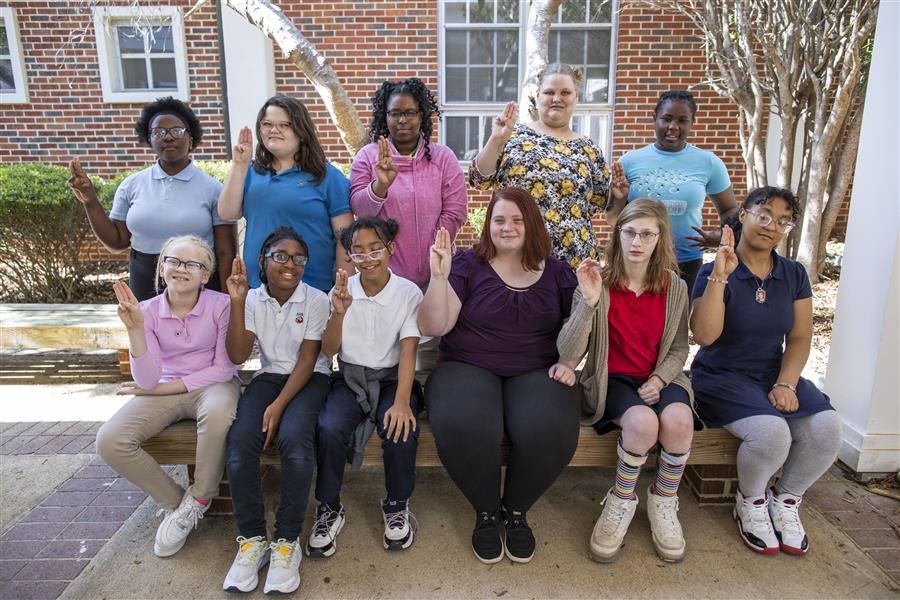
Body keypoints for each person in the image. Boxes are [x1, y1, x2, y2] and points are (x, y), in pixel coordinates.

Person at [419, 187, 581, 565]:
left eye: (517, 220)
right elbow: (435, 325)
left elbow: (580, 328)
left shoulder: (557, 272)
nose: (507, 227)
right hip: (467, 364)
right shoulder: (466, 265)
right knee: (465, 423)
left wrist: (570, 364)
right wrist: (438, 278)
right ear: (487, 224)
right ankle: (487, 511)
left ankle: (517, 510)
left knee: (548, 429)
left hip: (537, 368)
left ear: (532, 224)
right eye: (499, 219)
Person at [690, 186, 841, 556]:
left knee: (827, 430)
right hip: (720, 376)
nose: (771, 225)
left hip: (772, 372)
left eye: (783, 221)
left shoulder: (793, 274)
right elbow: (705, 335)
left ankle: (786, 499)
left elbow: (801, 336)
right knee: (772, 434)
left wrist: (787, 383)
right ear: (742, 215)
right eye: (763, 214)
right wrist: (720, 276)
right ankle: (751, 501)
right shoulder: (712, 270)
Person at [556, 199, 694, 563]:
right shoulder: (598, 282)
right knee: (643, 422)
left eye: (647, 234)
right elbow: (568, 352)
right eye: (630, 232)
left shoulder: (674, 287)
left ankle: (663, 501)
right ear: (617, 234)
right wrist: (587, 302)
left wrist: (662, 378)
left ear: (659, 238)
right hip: (612, 380)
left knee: (679, 421)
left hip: (662, 376)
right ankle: (621, 499)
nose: (637, 241)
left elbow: (681, 347)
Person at [95, 235, 239, 558]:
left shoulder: (222, 305)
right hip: (165, 388)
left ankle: (201, 496)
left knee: (218, 411)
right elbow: (145, 378)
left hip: (211, 386)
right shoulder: (146, 311)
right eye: (173, 261)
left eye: (192, 264)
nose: (181, 268)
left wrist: (162, 388)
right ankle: (178, 504)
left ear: (205, 275)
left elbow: (224, 369)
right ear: (162, 268)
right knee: (110, 440)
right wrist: (134, 328)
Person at [222, 227, 331, 594]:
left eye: (299, 258)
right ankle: (253, 540)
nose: (290, 264)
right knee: (239, 444)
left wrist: (279, 405)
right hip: (269, 376)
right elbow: (239, 356)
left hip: (310, 378)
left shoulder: (316, 299)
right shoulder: (250, 298)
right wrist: (236, 302)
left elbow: (309, 358)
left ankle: (286, 541)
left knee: (294, 441)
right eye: (280, 256)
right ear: (262, 260)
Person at [307, 217, 423, 557]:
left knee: (401, 427)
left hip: (392, 378)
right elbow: (328, 351)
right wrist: (339, 312)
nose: (368, 257)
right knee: (328, 428)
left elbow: (408, 350)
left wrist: (401, 402)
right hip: (350, 377)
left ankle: (397, 503)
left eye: (376, 248)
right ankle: (329, 506)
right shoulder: (342, 292)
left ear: (391, 249)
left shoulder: (407, 292)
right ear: (349, 257)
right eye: (358, 251)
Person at [68, 97, 237, 301]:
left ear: (191, 139)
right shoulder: (131, 185)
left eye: (176, 131)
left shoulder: (213, 189)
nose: (168, 137)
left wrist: (228, 300)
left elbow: (226, 252)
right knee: (148, 332)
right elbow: (117, 241)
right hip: (144, 278)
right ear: (150, 140)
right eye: (159, 132)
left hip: (197, 280)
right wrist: (90, 200)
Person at [469, 63, 621, 269]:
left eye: (565, 92)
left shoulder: (589, 149)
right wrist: (496, 140)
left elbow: (601, 203)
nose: (557, 99)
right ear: (538, 96)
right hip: (516, 258)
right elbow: (479, 179)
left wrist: (618, 196)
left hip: (573, 262)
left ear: (576, 97)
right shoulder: (512, 136)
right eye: (549, 92)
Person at [218, 95, 353, 291]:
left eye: (284, 125)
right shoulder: (250, 171)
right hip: (258, 289)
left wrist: (344, 287)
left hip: (312, 290)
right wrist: (239, 164)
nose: (274, 130)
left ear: (301, 131)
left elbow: (345, 237)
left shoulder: (327, 176)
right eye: (267, 124)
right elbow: (227, 213)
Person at [605, 90, 737, 290]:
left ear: (692, 122)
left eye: (682, 120)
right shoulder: (629, 162)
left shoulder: (709, 163)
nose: (673, 127)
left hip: (686, 261)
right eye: (666, 119)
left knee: (678, 320)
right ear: (654, 119)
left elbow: (730, 211)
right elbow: (614, 221)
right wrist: (619, 198)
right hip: (636, 258)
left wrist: (722, 236)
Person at [350, 77, 468, 287]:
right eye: (394, 113)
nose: (402, 120)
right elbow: (360, 211)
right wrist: (381, 186)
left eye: (409, 113)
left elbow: (455, 211)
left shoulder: (443, 158)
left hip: (435, 275)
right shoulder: (367, 157)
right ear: (384, 116)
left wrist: (430, 255)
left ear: (421, 115)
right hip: (385, 282)